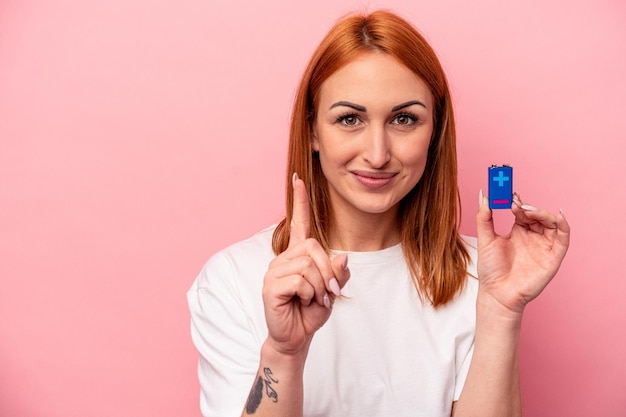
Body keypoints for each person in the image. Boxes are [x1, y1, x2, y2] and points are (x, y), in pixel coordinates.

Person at [187, 9, 570, 417]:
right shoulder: (232, 279)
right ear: (314, 131)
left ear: (434, 132)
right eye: (349, 119)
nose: (377, 154)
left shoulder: (486, 276)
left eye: (404, 119)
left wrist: (500, 310)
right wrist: (283, 352)